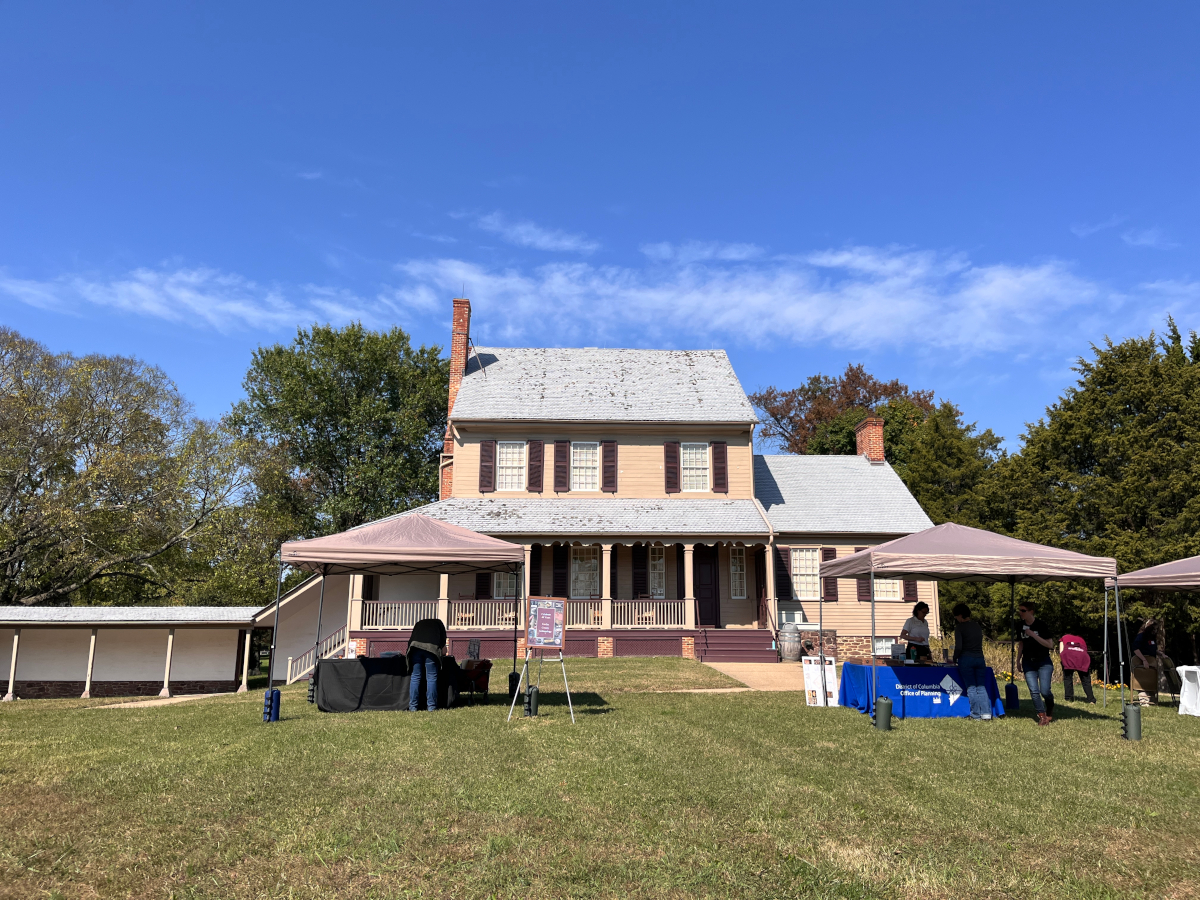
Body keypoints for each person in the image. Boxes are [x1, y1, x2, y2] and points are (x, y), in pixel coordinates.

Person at [1015, 601, 1055, 725]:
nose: (1020, 613)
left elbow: (1050, 645)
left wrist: (1033, 635)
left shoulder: (1041, 625)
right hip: (1028, 662)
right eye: (1019, 610)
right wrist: (1018, 660)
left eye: (1023, 611)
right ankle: (1042, 716)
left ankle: (1049, 709)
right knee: (1033, 690)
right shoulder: (1019, 625)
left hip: (1043, 662)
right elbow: (1021, 643)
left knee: (1045, 691)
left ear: (1031, 611)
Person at [952, 602, 991, 720]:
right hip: (979, 658)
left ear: (960, 615)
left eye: (956, 616)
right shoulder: (977, 626)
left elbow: (959, 646)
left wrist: (954, 658)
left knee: (971, 687)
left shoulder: (960, 628)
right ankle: (986, 714)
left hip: (966, 658)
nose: (956, 619)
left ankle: (975, 715)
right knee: (981, 686)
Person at [407, 617, 447, 711]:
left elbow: (411, 639)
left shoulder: (418, 623)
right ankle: (431, 707)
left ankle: (413, 707)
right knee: (431, 677)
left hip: (415, 648)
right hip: (431, 649)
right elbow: (443, 641)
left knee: (415, 677)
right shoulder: (439, 623)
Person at [1058, 633, 1096, 703]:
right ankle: (1091, 700)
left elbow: (1061, 651)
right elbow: (1085, 650)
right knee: (1086, 680)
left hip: (1068, 656)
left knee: (1068, 678)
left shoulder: (1064, 637)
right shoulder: (1081, 639)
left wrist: (1063, 662)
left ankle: (1068, 698)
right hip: (1082, 658)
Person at [1132, 618, 1159, 707]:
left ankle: (1151, 698)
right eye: (1154, 629)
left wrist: (1160, 653)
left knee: (1151, 680)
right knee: (1143, 681)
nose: (1155, 631)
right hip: (1141, 662)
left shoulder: (1152, 638)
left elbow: (1152, 649)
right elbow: (1136, 649)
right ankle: (1143, 699)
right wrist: (1144, 660)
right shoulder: (1141, 636)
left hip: (1151, 663)